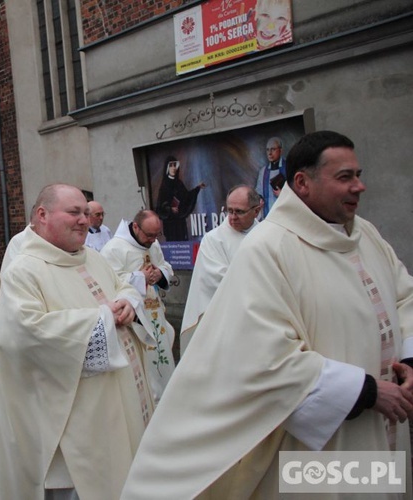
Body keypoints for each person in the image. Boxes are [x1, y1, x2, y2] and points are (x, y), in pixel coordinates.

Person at [122, 131, 413, 499]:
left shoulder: (366, 235)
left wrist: (409, 356)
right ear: (303, 183)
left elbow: (404, 295)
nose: (360, 186)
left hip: (387, 414)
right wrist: (366, 391)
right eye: (345, 178)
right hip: (327, 434)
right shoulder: (269, 248)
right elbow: (259, 352)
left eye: (357, 174)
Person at [0, 184, 158, 499]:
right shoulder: (24, 271)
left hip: (120, 406)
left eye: (86, 212)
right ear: (42, 215)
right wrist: (102, 319)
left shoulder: (94, 258)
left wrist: (128, 300)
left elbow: (122, 283)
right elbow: (26, 337)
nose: (84, 220)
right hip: (73, 426)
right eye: (74, 212)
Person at [100, 210, 176, 401]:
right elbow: (110, 282)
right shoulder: (113, 249)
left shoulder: (153, 243)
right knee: (145, 365)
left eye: (156, 235)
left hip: (156, 312)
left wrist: (159, 274)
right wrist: (140, 277)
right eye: (149, 235)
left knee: (162, 358)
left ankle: (167, 399)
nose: (152, 240)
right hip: (133, 318)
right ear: (135, 227)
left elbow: (165, 265)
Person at [179, 185, 261, 353]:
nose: (232, 217)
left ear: (257, 210)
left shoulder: (265, 235)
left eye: (239, 211)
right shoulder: (213, 240)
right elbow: (218, 280)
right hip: (226, 322)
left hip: (260, 320)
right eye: (229, 211)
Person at [155, 155, 205, 241]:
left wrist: (197, 188)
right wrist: (170, 209)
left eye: (175, 165)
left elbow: (187, 197)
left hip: (180, 223)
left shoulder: (179, 183)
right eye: (171, 166)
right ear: (167, 168)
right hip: (170, 225)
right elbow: (160, 207)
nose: (173, 168)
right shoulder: (164, 185)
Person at [255, 136, 287, 217]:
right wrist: (259, 199)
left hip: (285, 213)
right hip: (268, 212)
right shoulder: (263, 171)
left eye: (273, 149)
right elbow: (259, 191)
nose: (269, 153)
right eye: (267, 150)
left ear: (280, 150)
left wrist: (283, 194)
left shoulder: (288, 167)